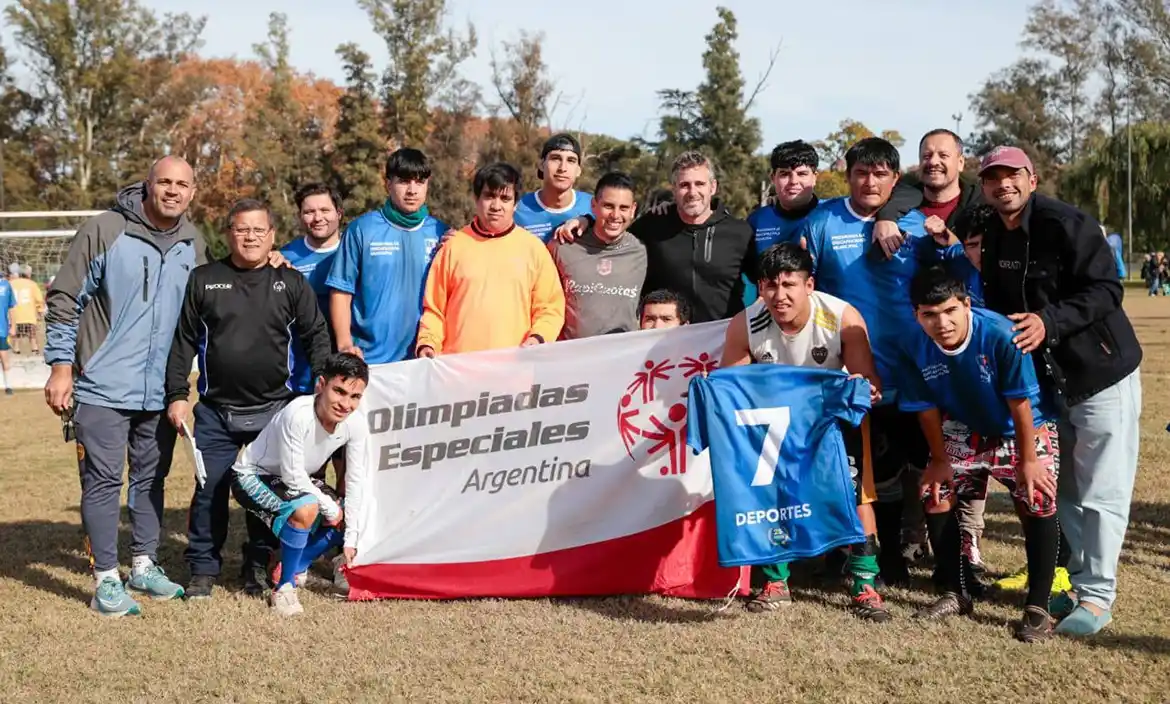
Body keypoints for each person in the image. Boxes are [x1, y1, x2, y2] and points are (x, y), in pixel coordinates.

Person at [977, 145, 1143, 636]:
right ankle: (1074, 585)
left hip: (1098, 373)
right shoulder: (992, 232)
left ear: (1032, 179)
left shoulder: (1068, 223)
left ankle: (1097, 598)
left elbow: (1106, 290)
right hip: (1046, 384)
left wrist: (1048, 322)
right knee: (1062, 489)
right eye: (993, 178)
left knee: (1101, 490)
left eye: (1012, 175)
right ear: (984, 187)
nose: (1003, 184)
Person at [43, 155, 198, 616]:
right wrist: (61, 367)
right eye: (164, 182)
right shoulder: (105, 229)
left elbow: (211, 297)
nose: (173, 191)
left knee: (151, 480)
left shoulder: (194, 242)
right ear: (148, 185)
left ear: (192, 192)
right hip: (102, 385)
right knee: (104, 481)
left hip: (160, 391)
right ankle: (106, 580)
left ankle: (144, 565)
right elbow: (65, 298)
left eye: (182, 184)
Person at [165, 198, 332, 600]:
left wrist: (323, 385)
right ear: (229, 234)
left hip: (274, 411)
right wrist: (177, 394)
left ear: (272, 236)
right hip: (216, 412)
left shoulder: (290, 281)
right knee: (209, 491)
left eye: (259, 230)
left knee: (266, 495)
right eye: (242, 229)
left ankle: (257, 564)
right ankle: (203, 569)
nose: (251, 237)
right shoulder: (204, 279)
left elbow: (316, 335)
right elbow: (183, 341)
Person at [720, 242, 890, 621]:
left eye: (789, 284)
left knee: (855, 495)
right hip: (776, 420)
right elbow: (731, 387)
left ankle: (865, 583)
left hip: (832, 418)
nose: (779, 295)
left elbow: (867, 379)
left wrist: (866, 388)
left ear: (809, 285)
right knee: (769, 493)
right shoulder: (745, 323)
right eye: (770, 285)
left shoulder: (842, 317)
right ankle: (775, 582)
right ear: (760, 287)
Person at [795, 137, 933, 586]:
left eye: (879, 174)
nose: (869, 182)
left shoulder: (915, 225)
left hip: (911, 369)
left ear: (895, 179)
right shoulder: (822, 221)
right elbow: (803, 289)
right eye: (861, 173)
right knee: (865, 473)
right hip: (849, 375)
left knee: (918, 465)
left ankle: (928, 554)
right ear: (848, 175)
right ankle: (871, 556)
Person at [901, 268, 1060, 643]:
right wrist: (939, 459)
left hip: (1021, 426)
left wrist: (1028, 461)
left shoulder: (1001, 334)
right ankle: (954, 591)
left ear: (966, 305)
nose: (942, 323)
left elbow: (1020, 403)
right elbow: (925, 409)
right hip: (965, 423)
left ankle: (1038, 606)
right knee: (936, 492)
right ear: (916, 314)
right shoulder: (911, 344)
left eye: (950, 311)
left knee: (1036, 496)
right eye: (929, 314)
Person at [230, 352, 370, 616]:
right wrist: (329, 507)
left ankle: (293, 565)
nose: (346, 404)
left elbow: (355, 480)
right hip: (252, 474)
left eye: (355, 396)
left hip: (294, 477)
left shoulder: (356, 423)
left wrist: (350, 539)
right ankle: (284, 589)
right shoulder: (297, 413)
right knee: (308, 507)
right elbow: (293, 477)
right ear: (321, 385)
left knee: (352, 512)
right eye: (339, 391)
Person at [557, 151, 756, 324]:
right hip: (666, 345)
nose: (692, 192)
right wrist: (587, 220)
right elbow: (615, 229)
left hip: (725, 343)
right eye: (684, 185)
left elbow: (765, 283)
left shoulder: (740, 232)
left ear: (712, 187)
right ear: (674, 189)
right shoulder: (652, 225)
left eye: (699, 184)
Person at [415, 162, 565, 356]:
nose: (496, 206)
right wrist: (427, 344)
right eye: (489, 196)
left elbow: (550, 308)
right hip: (459, 368)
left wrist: (538, 338)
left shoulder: (534, 249)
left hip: (515, 368)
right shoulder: (453, 247)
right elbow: (435, 310)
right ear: (476, 199)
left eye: (505, 198)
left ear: (515, 204)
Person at [326, 148, 447, 364]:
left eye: (420, 182)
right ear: (388, 184)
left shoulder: (441, 233)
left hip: (424, 359)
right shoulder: (361, 230)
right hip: (370, 361)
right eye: (404, 181)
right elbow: (341, 291)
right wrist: (344, 345)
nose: (412, 190)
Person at [548, 171, 647, 339]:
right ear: (594, 205)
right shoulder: (563, 246)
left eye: (623, 208)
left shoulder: (642, 251)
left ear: (633, 210)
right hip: (571, 353)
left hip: (624, 353)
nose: (615, 215)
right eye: (608, 206)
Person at [282, 183, 344, 393]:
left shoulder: (354, 251)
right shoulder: (285, 258)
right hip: (301, 375)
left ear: (339, 213)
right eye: (309, 212)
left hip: (348, 367)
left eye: (325, 210)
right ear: (300, 216)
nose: (318, 218)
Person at [515, 133, 594, 243]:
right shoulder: (517, 210)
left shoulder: (595, 207)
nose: (562, 168)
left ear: (578, 170)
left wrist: (588, 220)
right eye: (556, 158)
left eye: (571, 160)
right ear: (541, 165)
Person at [9, 263, 44, 356]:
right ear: (28, 274)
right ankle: (34, 349)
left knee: (17, 335)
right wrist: (40, 311)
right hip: (29, 315)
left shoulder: (11, 284)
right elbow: (39, 299)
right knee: (32, 334)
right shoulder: (32, 284)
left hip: (15, 315)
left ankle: (16, 349)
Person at [0, 272, 13, 394]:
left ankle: (8, 385)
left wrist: (13, 325)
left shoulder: (6, 285)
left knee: (4, 357)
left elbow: (11, 307)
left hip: (2, 329)